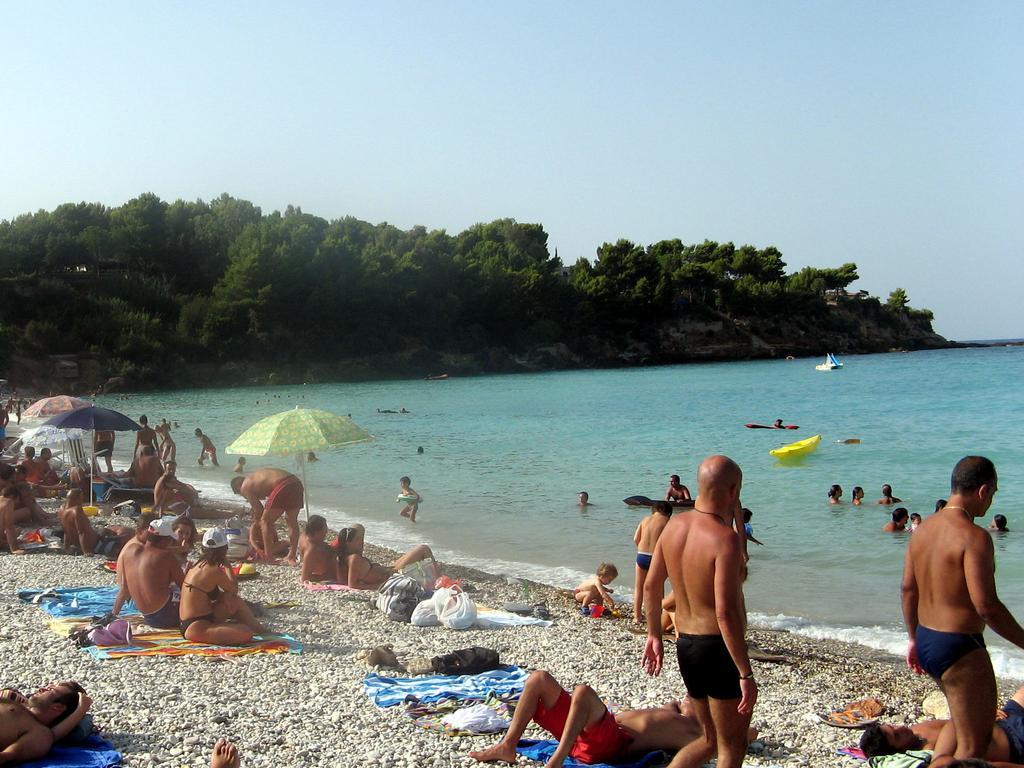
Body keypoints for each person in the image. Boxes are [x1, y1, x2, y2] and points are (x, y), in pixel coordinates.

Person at [901, 456, 1024, 766]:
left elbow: (907, 589)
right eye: (994, 492)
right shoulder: (975, 537)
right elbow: (987, 607)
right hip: (959, 648)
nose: (991, 499)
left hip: (928, 640)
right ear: (983, 490)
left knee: (960, 721)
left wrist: (914, 638)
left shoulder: (924, 530)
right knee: (973, 748)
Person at [642, 455, 755, 768]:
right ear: (733, 492)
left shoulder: (674, 526)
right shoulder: (725, 540)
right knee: (732, 747)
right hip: (717, 649)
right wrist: (745, 672)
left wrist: (653, 634)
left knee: (709, 741)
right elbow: (725, 613)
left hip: (686, 645)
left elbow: (651, 587)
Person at [469, 670, 758, 768]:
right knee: (538, 679)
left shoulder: (697, 735)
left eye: (694, 698)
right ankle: (508, 745)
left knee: (582, 691)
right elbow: (677, 704)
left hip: (608, 743)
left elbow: (741, 736)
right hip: (586, 731)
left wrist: (734, 718)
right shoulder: (676, 712)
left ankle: (557, 759)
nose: (687, 696)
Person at [860, 683, 1024, 765]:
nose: (900, 728)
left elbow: (962, 719)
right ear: (898, 751)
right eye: (896, 736)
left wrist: (984, 712)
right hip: (1016, 742)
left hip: (1003, 719)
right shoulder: (934, 754)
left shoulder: (916, 730)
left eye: (893, 726)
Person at [179, 528, 265, 644]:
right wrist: (228, 566)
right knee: (246, 632)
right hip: (196, 628)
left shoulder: (197, 566)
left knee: (234, 601)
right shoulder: (213, 570)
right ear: (224, 550)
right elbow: (234, 589)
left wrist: (226, 597)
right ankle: (261, 631)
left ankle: (260, 630)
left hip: (195, 620)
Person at [112, 517, 184, 628]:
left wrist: (113, 614)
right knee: (199, 597)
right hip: (166, 616)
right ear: (165, 540)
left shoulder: (130, 550)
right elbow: (184, 586)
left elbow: (125, 588)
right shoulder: (166, 556)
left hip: (148, 617)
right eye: (170, 540)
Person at [0, 682, 92, 765]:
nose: (41, 689)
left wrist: (81, 709)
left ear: (57, 707)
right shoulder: (17, 702)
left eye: (50, 690)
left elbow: (4, 757)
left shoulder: (41, 734)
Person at [231, 468, 304, 564]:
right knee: (291, 520)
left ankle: (268, 557)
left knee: (264, 521)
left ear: (238, 486)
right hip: (295, 482)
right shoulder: (256, 477)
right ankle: (292, 555)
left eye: (240, 494)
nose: (243, 496)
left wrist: (256, 522)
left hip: (282, 485)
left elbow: (259, 510)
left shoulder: (244, 486)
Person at [333, 523, 438, 590]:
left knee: (359, 527)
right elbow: (353, 585)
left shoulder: (344, 558)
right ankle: (439, 581)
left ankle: (437, 578)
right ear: (348, 543)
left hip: (388, 570)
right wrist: (381, 585)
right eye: (357, 540)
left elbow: (341, 581)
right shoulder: (354, 559)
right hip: (391, 575)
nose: (361, 542)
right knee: (423, 549)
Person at [58, 488, 132, 557]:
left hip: (85, 543)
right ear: (77, 499)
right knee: (127, 535)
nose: (82, 501)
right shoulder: (76, 510)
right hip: (96, 545)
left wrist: (66, 547)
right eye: (81, 498)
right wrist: (86, 552)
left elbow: (66, 531)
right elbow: (82, 532)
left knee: (108, 530)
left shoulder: (61, 510)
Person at [633, 501, 674, 623]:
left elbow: (636, 539)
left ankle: (637, 616)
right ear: (668, 512)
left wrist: (642, 549)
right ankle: (658, 616)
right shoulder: (667, 521)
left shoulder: (645, 520)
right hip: (657, 557)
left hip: (641, 555)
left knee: (639, 587)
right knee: (658, 587)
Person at [299, 514, 342, 583]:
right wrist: (328, 576)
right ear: (317, 532)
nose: (326, 533)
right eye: (324, 532)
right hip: (327, 569)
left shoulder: (304, 535)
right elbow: (305, 578)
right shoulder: (311, 551)